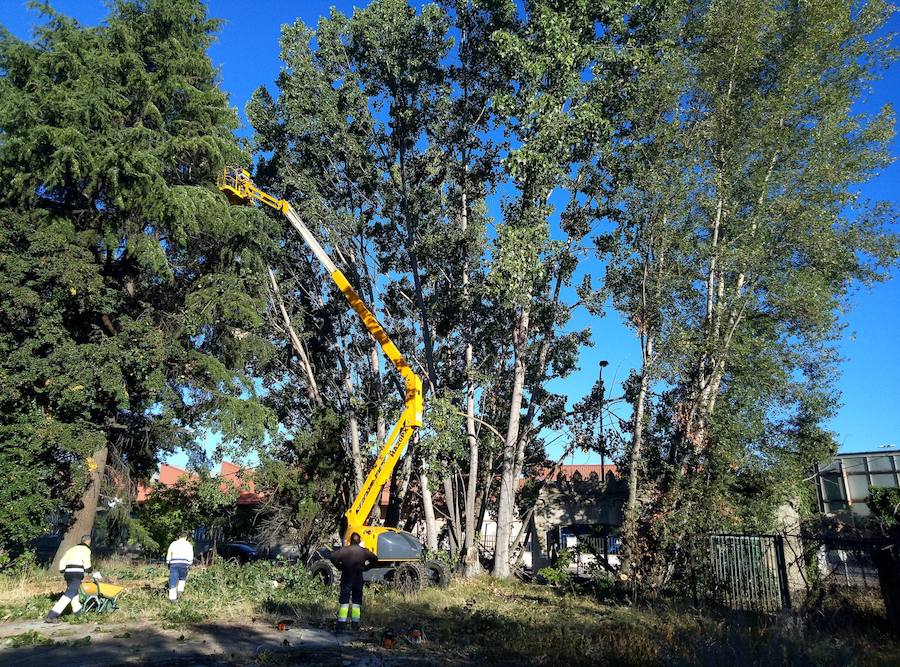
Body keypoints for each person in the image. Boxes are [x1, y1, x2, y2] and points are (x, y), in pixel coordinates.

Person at [328, 532, 377, 632]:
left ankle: (341, 624)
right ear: (359, 541)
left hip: (346, 579)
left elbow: (332, 556)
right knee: (356, 603)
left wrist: (339, 566)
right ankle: (355, 624)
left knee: (344, 602)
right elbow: (375, 559)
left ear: (350, 540)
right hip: (358, 580)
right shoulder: (364, 552)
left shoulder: (344, 550)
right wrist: (366, 568)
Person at [46, 534, 100, 623]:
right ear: (88, 542)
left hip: (68, 573)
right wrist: (89, 570)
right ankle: (52, 615)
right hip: (77, 573)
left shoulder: (72, 549)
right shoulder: (86, 549)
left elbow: (63, 560)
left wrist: (62, 569)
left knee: (74, 594)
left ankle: (78, 614)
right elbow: (86, 563)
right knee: (69, 593)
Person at [166, 532, 194, 602]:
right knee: (182, 578)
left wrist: (168, 562)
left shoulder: (173, 544)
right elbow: (191, 555)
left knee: (173, 579)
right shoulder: (189, 545)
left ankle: (172, 599)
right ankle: (180, 592)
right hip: (184, 563)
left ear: (178, 537)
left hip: (174, 563)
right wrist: (190, 564)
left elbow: (169, 553)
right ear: (186, 537)